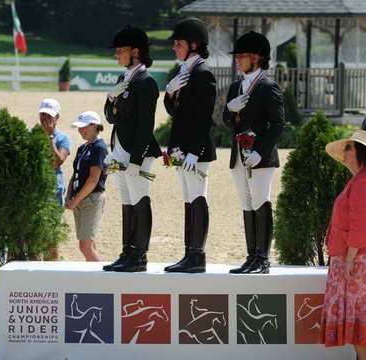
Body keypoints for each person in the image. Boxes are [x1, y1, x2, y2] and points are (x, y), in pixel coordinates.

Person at [319, 130, 366, 360]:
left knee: (360, 329)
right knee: (363, 333)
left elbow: (360, 225)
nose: (345, 153)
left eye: (349, 148)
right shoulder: (363, 180)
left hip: (358, 259)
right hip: (362, 258)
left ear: (361, 153)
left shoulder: (363, 182)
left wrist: (349, 259)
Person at [223, 31, 285, 274]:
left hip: (260, 156)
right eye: (237, 56)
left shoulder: (268, 87)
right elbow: (228, 122)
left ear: (257, 57)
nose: (237, 60)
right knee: (246, 203)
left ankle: (263, 258)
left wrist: (260, 151)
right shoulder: (236, 86)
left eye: (242, 56)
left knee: (260, 201)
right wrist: (229, 109)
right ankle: (251, 256)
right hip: (239, 155)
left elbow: (278, 123)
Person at [103, 26, 162, 272]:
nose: (117, 55)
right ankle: (127, 252)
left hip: (137, 152)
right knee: (127, 202)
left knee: (139, 200)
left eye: (121, 50)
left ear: (135, 51)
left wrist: (136, 159)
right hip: (119, 149)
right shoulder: (122, 79)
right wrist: (111, 98)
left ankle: (140, 256)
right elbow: (109, 118)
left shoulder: (146, 81)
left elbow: (146, 124)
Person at [163, 18, 217, 273]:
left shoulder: (203, 73)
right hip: (183, 148)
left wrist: (195, 151)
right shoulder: (184, 72)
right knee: (188, 199)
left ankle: (198, 256)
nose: (175, 47)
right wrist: (170, 93)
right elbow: (177, 113)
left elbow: (204, 117)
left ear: (194, 44)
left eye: (179, 43)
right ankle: (189, 254)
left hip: (196, 150)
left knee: (197, 197)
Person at [65, 111, 108, 262]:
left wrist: (75, 200)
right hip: (79, 198)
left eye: (84, 127)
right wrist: (69, 195)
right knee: (89, 244)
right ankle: (94, 281)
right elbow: (75, 174)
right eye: (79, 127)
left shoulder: (99, 147)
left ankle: (107, 283)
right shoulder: (82, 148)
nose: (80, 130)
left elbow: (93, 179)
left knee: (85, 246)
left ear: (95, 126)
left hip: (91, 199)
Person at [38, 98, 71, 260]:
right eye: (43, 114)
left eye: (49, 115)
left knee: (50, 236)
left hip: (53, 191)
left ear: (57, 117)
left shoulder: (63, 139)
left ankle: (51, 275)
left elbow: (57, 161)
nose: (45, 118)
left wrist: (50, 137)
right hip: (34, 190)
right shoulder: (31, 135)